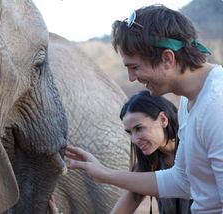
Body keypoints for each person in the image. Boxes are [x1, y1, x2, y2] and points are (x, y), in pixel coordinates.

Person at [66, 4, 223, 213]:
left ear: (167, 58)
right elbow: (183, 181)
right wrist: (103, 173)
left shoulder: (216, 106)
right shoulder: (190, 101)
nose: (132, 78)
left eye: (135, 67)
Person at [110, 90, 191, 213]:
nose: (134, 140)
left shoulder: (194, 149)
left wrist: (103, 174)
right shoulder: (149, 162)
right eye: (130, 132)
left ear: (163, 120)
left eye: (139, 128)